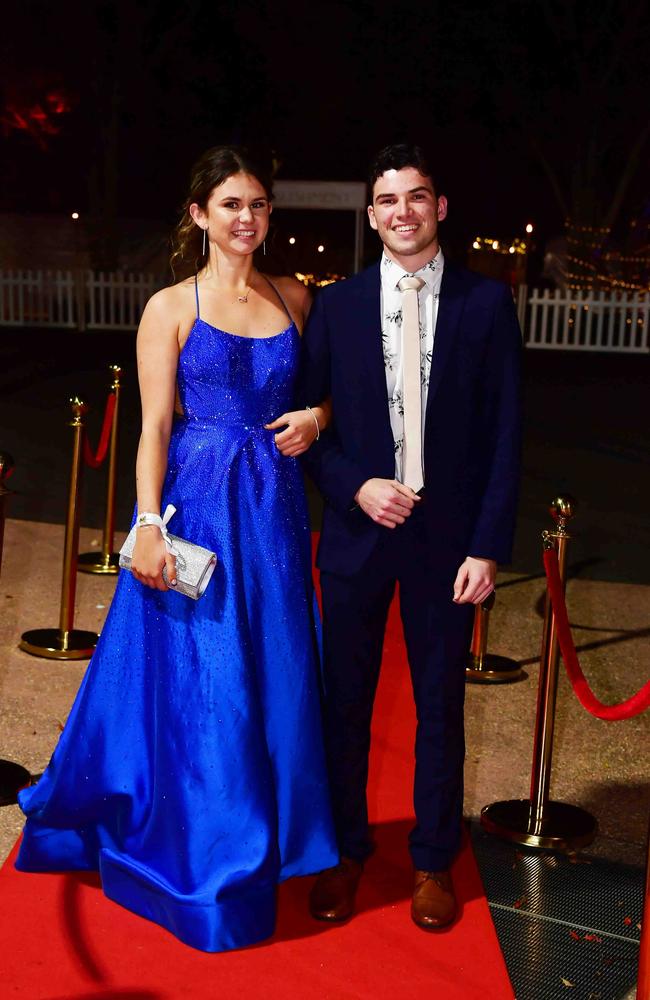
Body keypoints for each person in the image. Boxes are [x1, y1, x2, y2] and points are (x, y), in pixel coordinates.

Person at [16, 145, 338, 952]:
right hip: (197, 499)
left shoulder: (297, 297)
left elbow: (330, 392)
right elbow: (153, 425)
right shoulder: (170, 305)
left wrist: (321, 418)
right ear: (199, 215)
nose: (248, 218)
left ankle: (283, 831)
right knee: (206, 673)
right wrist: (149, 525)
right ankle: (210, 849)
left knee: (274, 663)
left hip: (273, 508)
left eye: (259, 205)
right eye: (231, 204)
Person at [300, 143, 521, 931]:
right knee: (343, 704)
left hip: (449, 543)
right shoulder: (338, 307)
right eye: (388, 200)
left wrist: (488, 545)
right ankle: (345, 852)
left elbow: (505, 435)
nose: (403, 211)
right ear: (372, 215)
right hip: (359, 535)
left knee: (440, 707)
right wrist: (354, 483)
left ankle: (432, 861)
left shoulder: (485, 305)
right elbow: (308, 429)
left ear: (440, 207)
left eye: (417, 196)